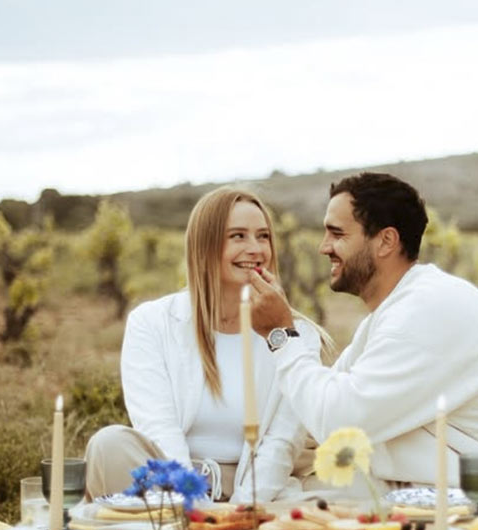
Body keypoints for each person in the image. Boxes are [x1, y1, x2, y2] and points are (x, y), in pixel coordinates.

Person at [248, 171, 478, 530]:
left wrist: (283, 336)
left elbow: (338, 420)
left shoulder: (426, 310)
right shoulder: (396, 310)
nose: (323, 247)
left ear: (385, 241)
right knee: (293, 517)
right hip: (438, 499)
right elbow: (313, 414)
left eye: (337, 233)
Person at [84, 186, 324, 506]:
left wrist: (242, 511)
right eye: (238, 236)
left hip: (258, 488)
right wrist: (195, 505)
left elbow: (281, 444)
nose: (255, 248)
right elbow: (158, 428)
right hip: (171, 482)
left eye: (263, 236)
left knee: (352, 488)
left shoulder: (296, 336)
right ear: (205, 245)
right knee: (108, 444)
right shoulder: (152, 323)